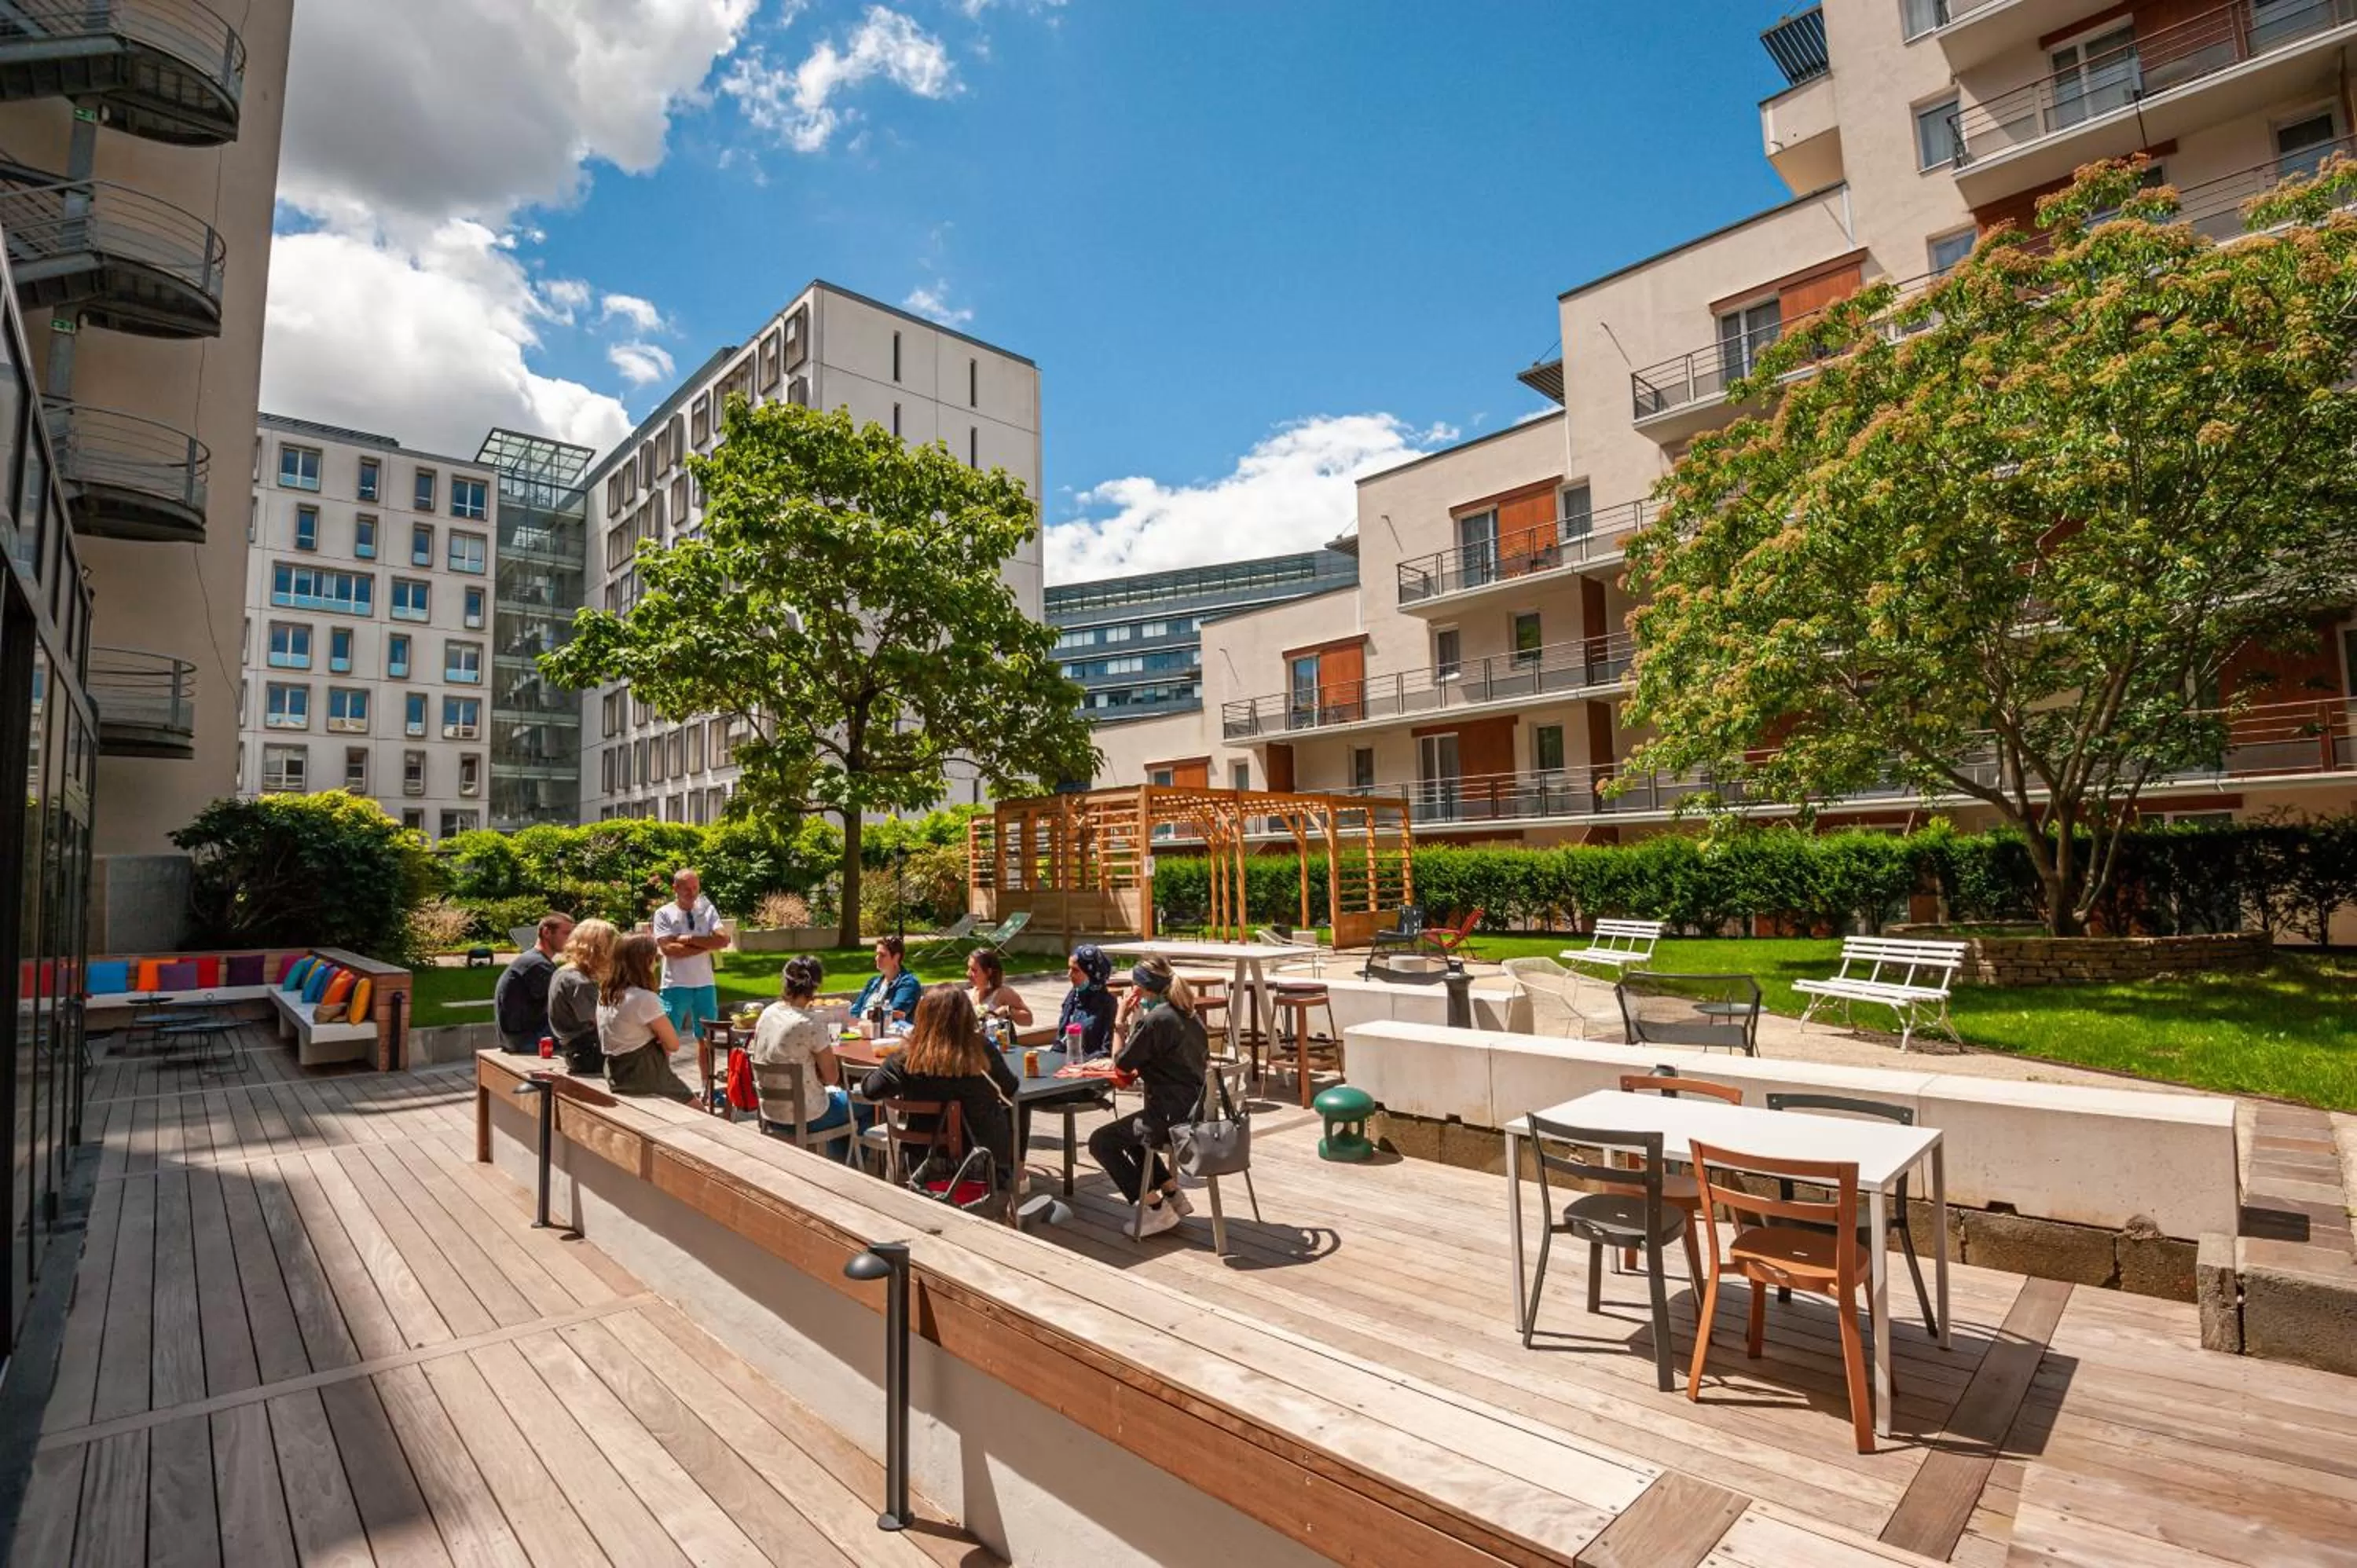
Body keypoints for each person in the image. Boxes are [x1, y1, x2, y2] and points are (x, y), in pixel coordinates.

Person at [1088, 954, 1210, 1238]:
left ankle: (1155, 1208)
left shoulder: (1157, 1020)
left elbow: (1121, 1065)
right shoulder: (1189, 1014)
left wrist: (1120, 1022)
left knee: (1102, 1141)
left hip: (1171, 1119)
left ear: (1143, 988)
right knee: (1134, 1133)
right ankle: (1172, 1193)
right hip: (1193, 1111)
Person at [860, 985, 1020, 1190]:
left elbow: (870, 1090)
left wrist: (885, 1067)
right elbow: (1010, 1088)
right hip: (984, 1165)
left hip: (926, 1167)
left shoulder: (906, 1057)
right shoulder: (981, 1048)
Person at [750, 955, 870, 1158]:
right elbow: (832, 1077)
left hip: (771, 1111)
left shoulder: (768, 1013)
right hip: (807, 1115)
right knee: (868, 1103)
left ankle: (836, 1161)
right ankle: (848, 1165)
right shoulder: (809, 1023)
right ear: (815, 987)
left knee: (839, 1102)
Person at [598, 932, 697, 1099]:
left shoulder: (605, 994)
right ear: (645, 962)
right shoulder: (644, 998)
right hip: (645, 1075)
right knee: (698, 1111)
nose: (657, 964)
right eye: (656, 959)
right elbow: (673, 1044)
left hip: (615, 1073)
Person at [651, 867, 729, 1046]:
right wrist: (707, 944)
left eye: (695, 888)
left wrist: (689, 939)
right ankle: (664, 1066)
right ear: (675, 888)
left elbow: (723, 939)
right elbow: (669, 949)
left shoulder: (707, 909)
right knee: (667, 1038)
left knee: (707, 1038)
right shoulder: (663, 913)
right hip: (675, 984)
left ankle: (706, 1067)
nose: (692, 893)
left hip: (705, 983)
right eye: (687, 889)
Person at [493, 913, 574, 1053]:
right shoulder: (537, 966)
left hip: (514, 1037)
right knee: (586, 1035)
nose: (571, 939)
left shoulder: (533, 960)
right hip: (525, 1040)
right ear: (546, 932)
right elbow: (566, 1004)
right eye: (566, 933)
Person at [549, 918, 617, 1075]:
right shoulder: (580, 982)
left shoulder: (563, 972)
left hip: (574, 1051)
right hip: (589, 1055)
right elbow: (603, 1022)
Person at [1052, 943, 1117, 1060]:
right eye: (1069, 968)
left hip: (1091, 1065)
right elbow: (1060, 1040)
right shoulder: (1074, 996)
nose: (1069, 975)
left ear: (1092, 975)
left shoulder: (1107, 1005)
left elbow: (1106, 1051)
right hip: (1066, 1062)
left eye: (1075, 970)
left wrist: (1080, 1063)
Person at [849, 934, 923, 1027]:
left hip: (891, 1033)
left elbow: (895, 1014)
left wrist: (866, 1016)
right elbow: (855, 1010)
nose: (877, 958)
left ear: (896, 957)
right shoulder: (873, 982)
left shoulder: (908, 984)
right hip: (862, 1029)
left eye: (882, 955)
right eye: (877, 954)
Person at [966, 946, 1033, 1030]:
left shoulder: (1003, 993)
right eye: (968, 968)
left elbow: (1029, 1020)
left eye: (974, 970)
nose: (968, 973)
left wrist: (1008, 1010)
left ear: (989, 972)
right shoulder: (970, 994)